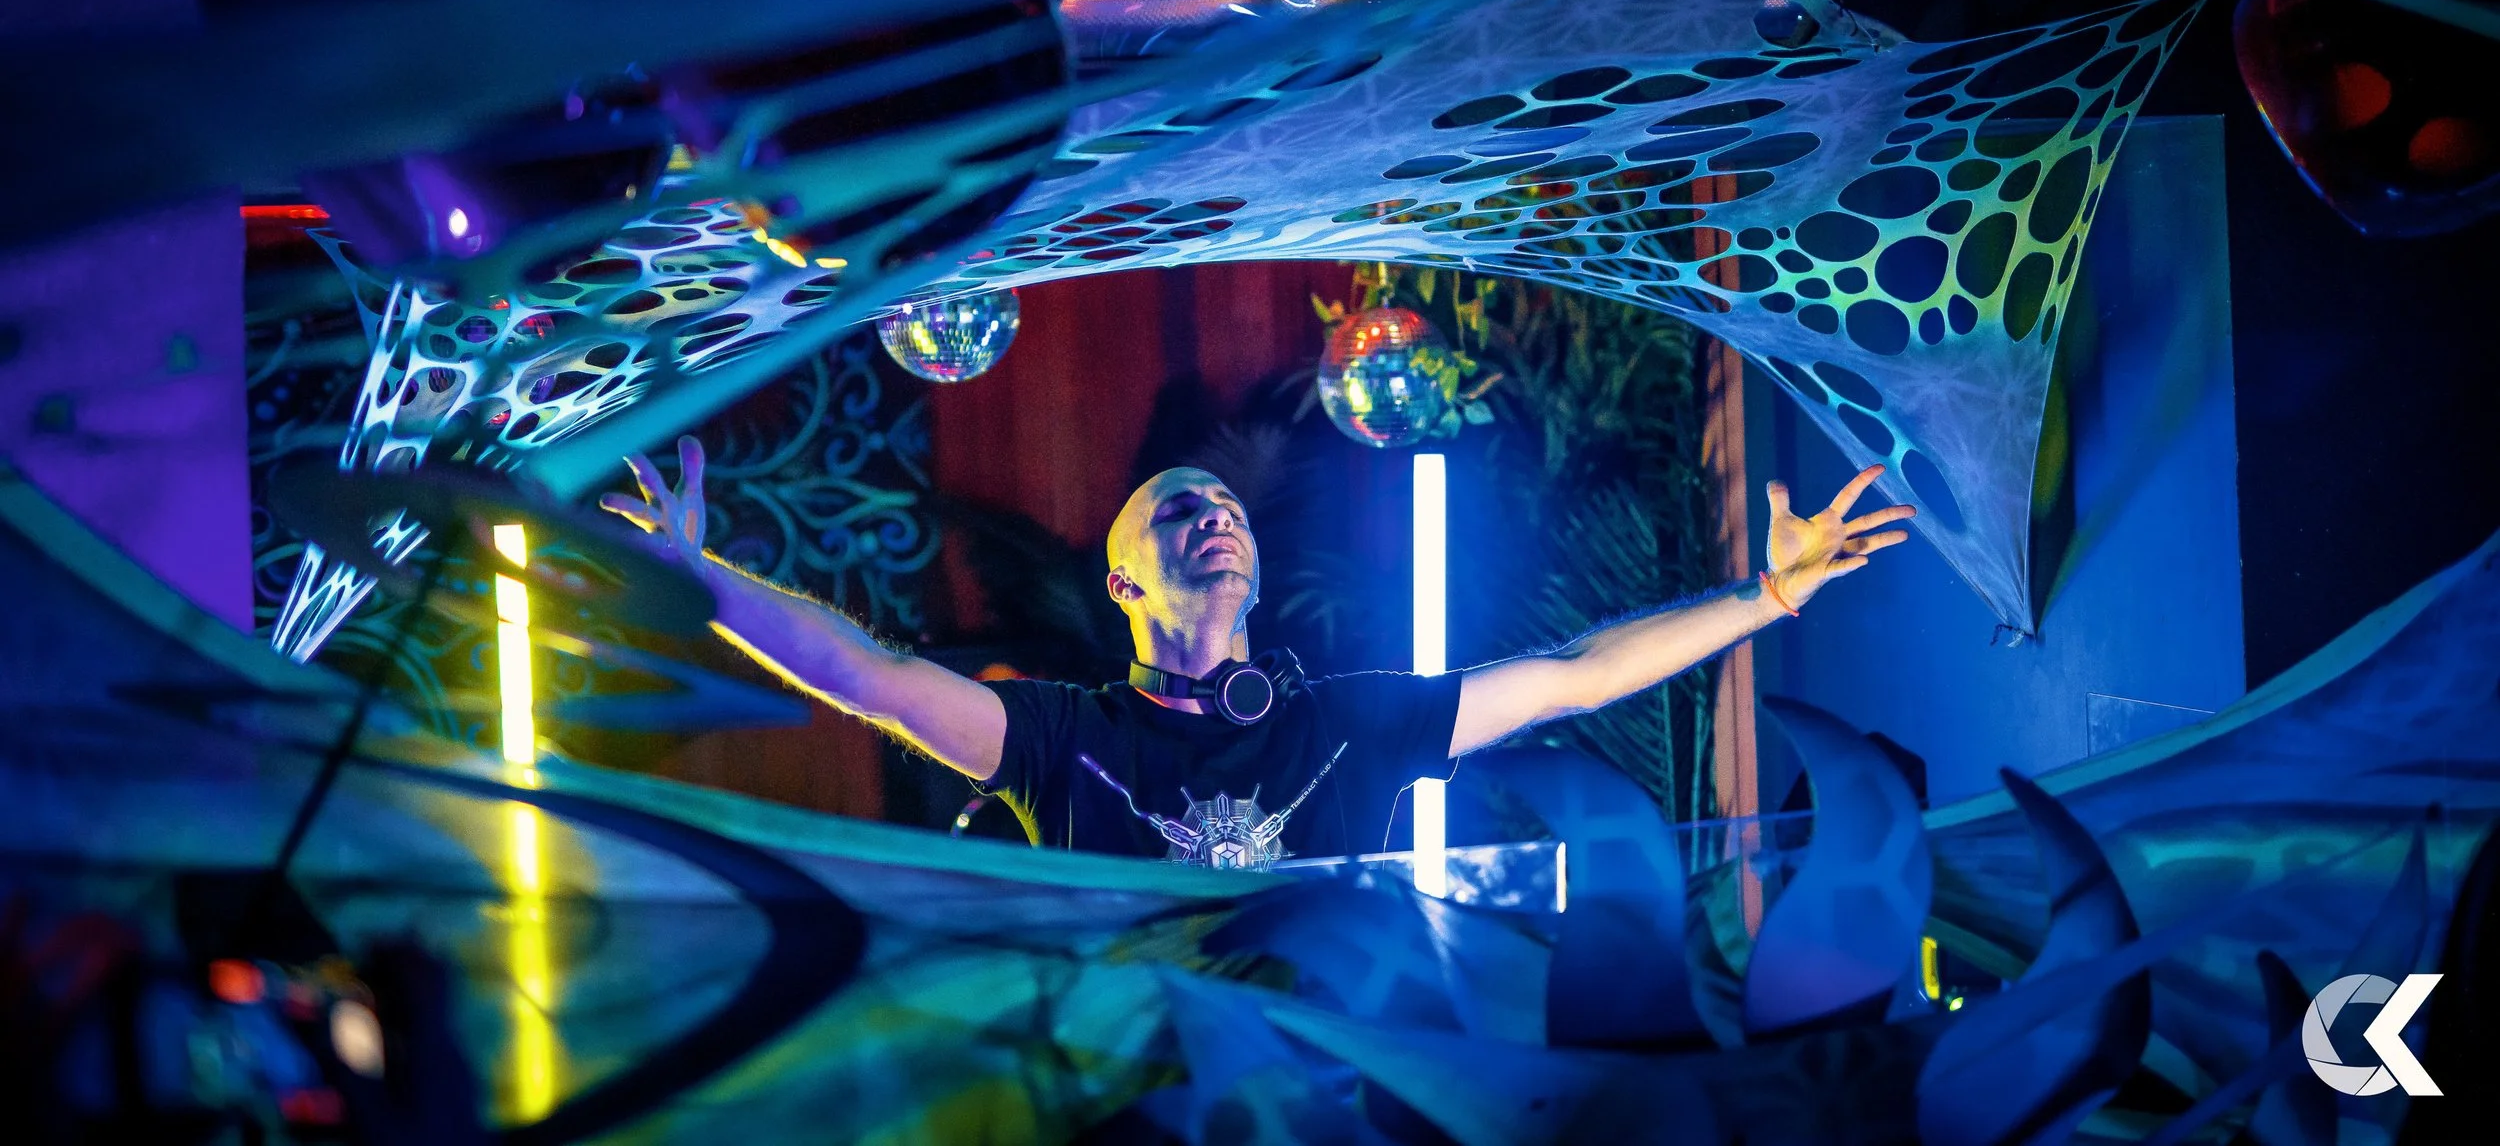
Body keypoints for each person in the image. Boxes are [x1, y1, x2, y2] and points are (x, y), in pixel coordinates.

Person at [603, 437, 1912, 867]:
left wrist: (1765, 596)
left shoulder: (1352, 717)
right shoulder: (1065, 740)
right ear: (1121, 577)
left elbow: (1576, 667)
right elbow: (866, 672)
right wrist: (698, 577)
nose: (1213, 513)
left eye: (1224, 504)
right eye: (1176, 507)